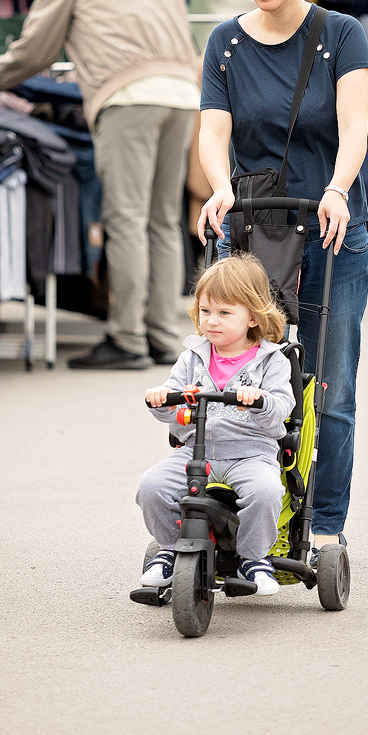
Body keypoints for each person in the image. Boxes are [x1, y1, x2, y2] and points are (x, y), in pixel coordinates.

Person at [196, 0, 368, 563]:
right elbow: (213, 132)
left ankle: (323, 525)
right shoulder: (224, 41)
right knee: (233, 375)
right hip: (252, 229)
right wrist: (218, 185)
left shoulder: (341, 35)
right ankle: (230, 514)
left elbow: (355, 127)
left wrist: (337, 186)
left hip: (332, 229)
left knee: (329, 388)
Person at [0, 0, 199, 370]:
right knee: (163, 220)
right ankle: (165, 337)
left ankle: (127, 339)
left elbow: (37, 45)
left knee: (126, 218)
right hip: (182, 91)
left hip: (127, 95)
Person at [137, 254, 295, 595]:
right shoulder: (192, 357)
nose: (212, 321)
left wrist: (261, 401)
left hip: (250, 453)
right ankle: (168, 548)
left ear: (253, 317)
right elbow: (174, 411)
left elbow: (281, 410)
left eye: (224, 313)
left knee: (266, 492)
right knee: (151, 487)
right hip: (196, 452)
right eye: (206, 311)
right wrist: (161, 400)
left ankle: (253, 558)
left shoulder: (272, 361)